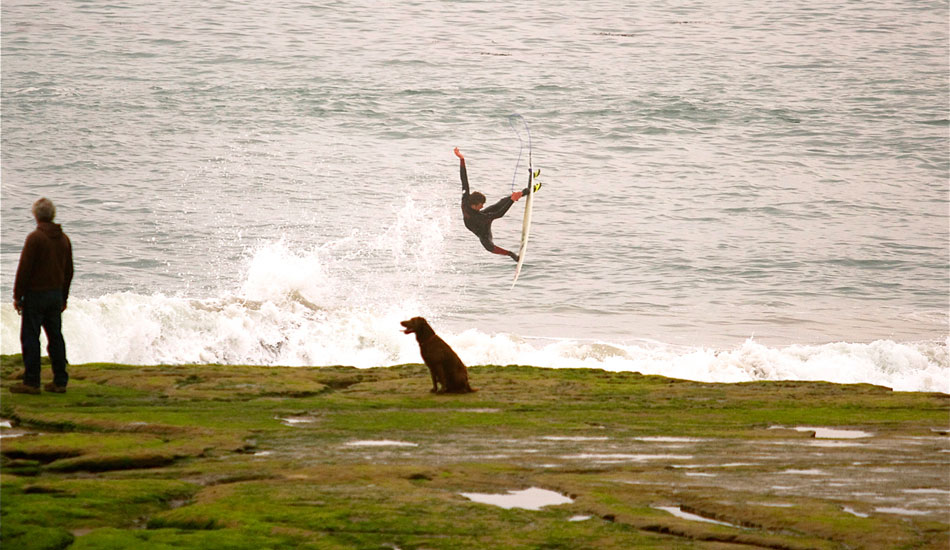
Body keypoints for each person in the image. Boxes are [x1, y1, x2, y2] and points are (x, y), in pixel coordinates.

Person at [10, 198, 74, 395]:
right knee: (55, 337)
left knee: (30, 337)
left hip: (36, 295)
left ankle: (32, 382)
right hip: (55, 295)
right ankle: (60, 381)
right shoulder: (63, 239)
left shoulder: (35, 238)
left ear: (36, 215)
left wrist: (17, 295)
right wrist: (64, 297)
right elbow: (69, 271)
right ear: (52, 215)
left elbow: (24, 270)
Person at [454, 146, 540, 261]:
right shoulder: (478, 217)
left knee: (500, 203)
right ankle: (511, 255)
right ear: (475, 205)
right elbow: (499, 214)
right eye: (481, 205)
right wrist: (512, 201)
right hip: (480, 229)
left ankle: (525, 191)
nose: (483, 206)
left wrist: (462, 159)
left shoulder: (466, 199)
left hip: (479, 217)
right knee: (489, 246)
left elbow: (464, 180)